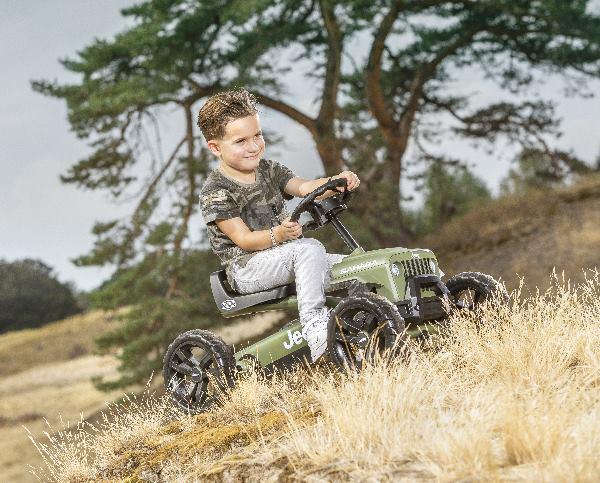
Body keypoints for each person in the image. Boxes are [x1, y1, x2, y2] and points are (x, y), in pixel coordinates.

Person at [197, 88, 360, 362]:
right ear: (215, 147)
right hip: (247, 268)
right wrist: (279, 234)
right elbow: (244, 239)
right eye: (241, 141)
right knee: (308, 249)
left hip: (286, 256)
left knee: (358, 269)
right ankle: (317, 330)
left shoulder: (269, 170)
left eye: (258, 136)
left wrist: (334, 182)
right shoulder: (216, 191)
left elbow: (305, 187)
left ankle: (368, 320)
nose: (253, 146)